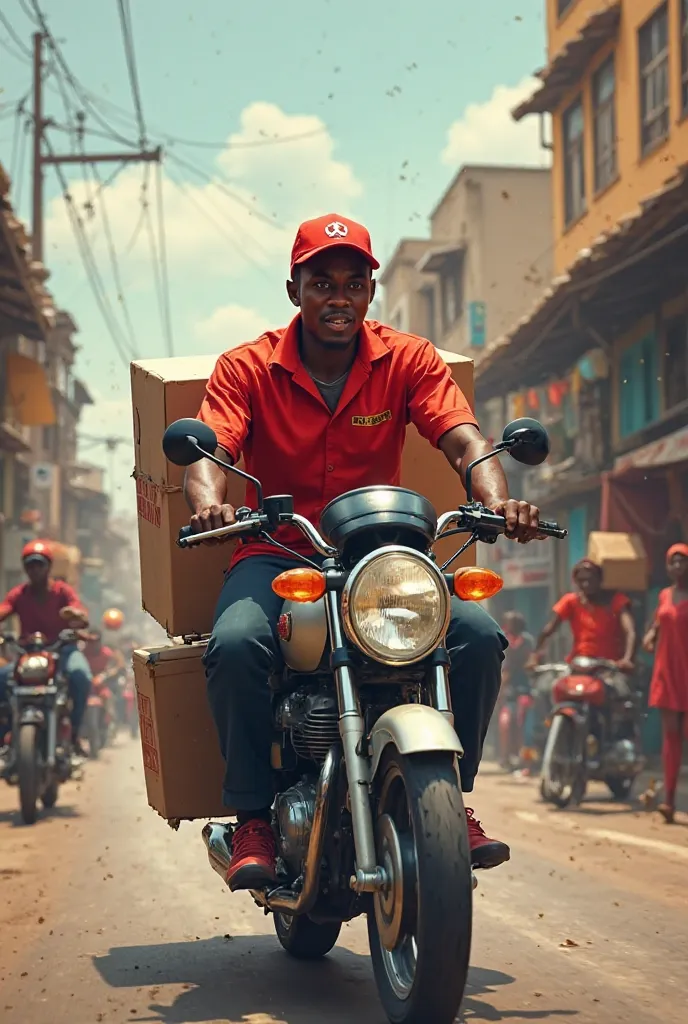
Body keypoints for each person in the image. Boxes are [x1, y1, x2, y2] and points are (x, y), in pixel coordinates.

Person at [186, 212, 544, 891]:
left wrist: (497, 499)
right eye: (323, 283)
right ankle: (254, 816)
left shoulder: (406, 358)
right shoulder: (247, 366)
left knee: (474, 632)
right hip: (279, 554)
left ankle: (447, 795)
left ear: (371, 292)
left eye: (355, 284)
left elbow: (466, 439)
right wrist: (209, 500)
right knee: (234, 643)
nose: (340, 299)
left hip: (377, 561)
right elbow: (210, 449)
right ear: (295, 290)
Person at [0, 540, 92, 755]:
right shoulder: (19, 594)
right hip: (28, 653)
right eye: (30, 565)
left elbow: (79, 611)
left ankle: (75, 734)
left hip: (62, 650)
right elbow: (5, 608)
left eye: (39, 565)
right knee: (2, 679)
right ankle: (5, 736)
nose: (34, 570)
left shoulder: (62, 591)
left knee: (81, 676)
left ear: (48, 567)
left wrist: (76, 616)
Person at [643, 543, 688, 824]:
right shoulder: (663, 596)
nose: (678, 566)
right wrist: (650, 637)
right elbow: (657, 625)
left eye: (683, 561)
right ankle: (668, 802)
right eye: (674, 561)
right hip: (667, 669)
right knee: (670, 739)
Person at [530, 559, 636, 671]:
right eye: (581, 580)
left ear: (600, 579)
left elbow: (630, 632)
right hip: (578, 665)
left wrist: (627, 659)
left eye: (590, 579)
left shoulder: (616, 600)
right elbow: (549, 630)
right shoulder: (570, 601)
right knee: (548, 686)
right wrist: (534, 657)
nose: (586, 584)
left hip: (610, 667)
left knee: (622, 687)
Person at [500, 611, 536, 771]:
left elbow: (533, 660)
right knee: (505, 722)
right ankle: (506, 757)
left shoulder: (527, 641)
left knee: (524, 725)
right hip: (509, 691)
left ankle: (526, 762)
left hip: (525, 689)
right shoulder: (504, 640)